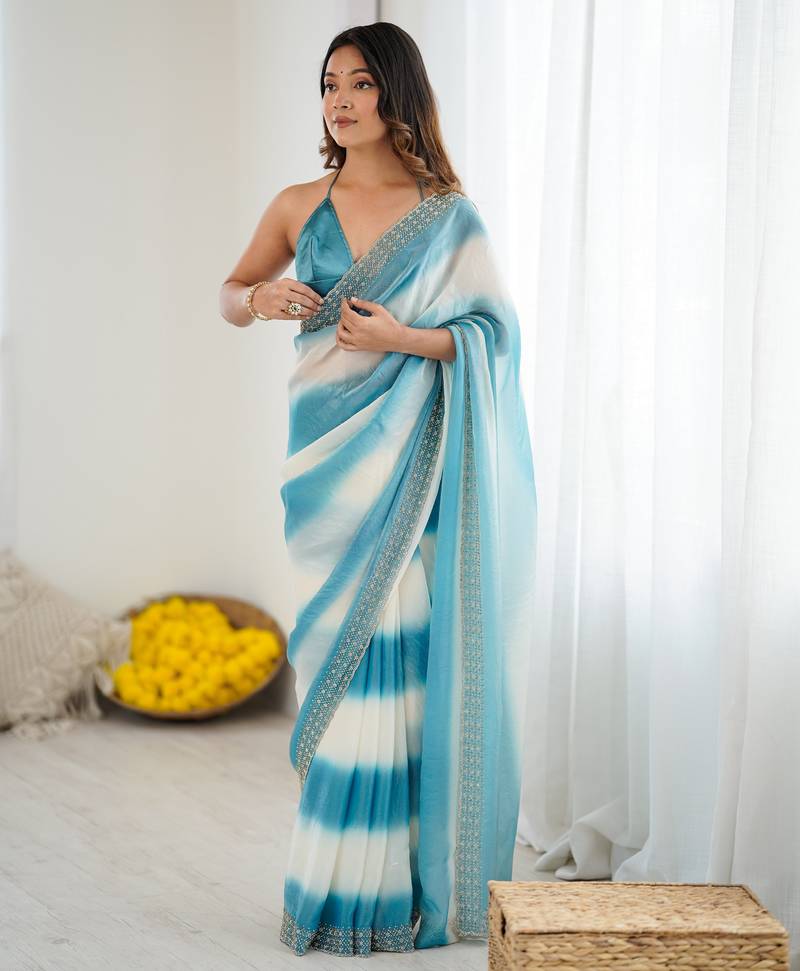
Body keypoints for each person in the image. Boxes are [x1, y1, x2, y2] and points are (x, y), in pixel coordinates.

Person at [219, 21, 538, 958]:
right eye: (330, 84)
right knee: (342, 662)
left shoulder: (447, 216)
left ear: (397, 93)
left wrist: (402, 338)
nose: (341, 100)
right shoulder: (297, 204)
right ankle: (335, 892)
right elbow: (232, 292)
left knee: (396, 670)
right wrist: (259, 300)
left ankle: (391, 894)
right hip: (325, 474)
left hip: (412, 468)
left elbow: (494, 339)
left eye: (360, 82)